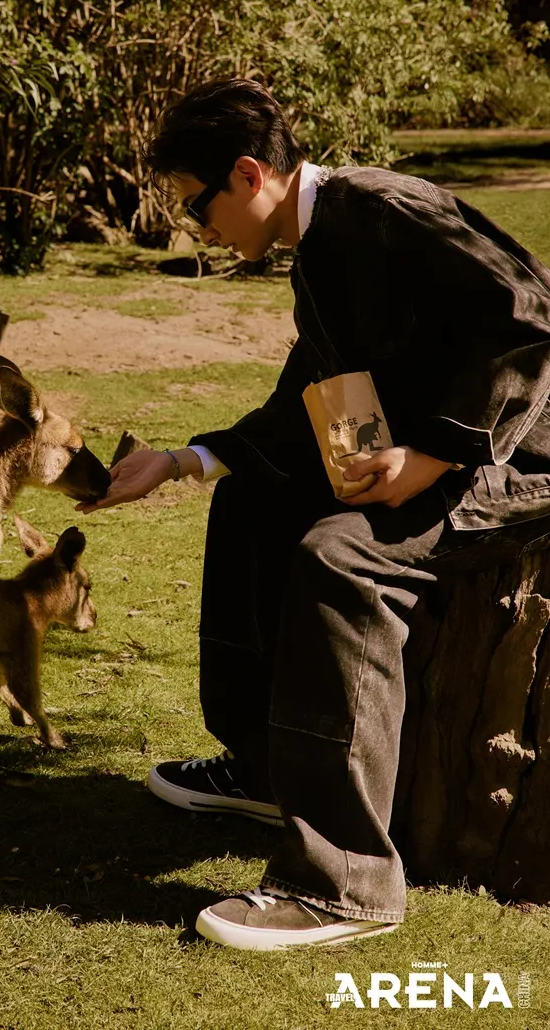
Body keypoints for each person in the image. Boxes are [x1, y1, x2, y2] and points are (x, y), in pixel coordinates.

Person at [76, 78, 550, 951]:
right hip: (438, 457)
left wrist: (437, 455)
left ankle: (346, 884)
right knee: (252, 498)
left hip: (519, 461)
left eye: (197, 208)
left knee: (340, 558)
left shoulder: (384, 209)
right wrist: (186, 459)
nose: (200, 232)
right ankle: (266, 767)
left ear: (249, 174)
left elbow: (525, 318)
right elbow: (309, 399)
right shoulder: (320, 247)